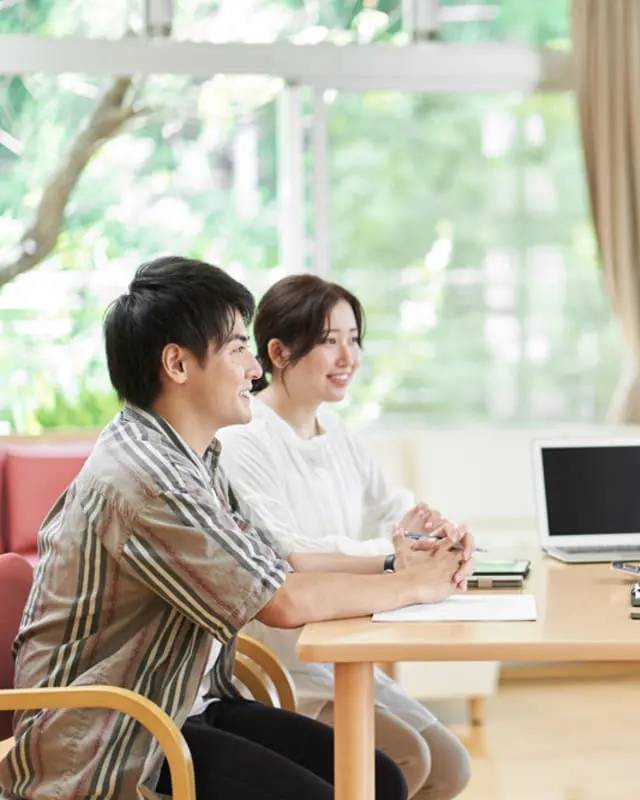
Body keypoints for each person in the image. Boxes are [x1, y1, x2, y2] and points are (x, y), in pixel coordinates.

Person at [0, 256, 473, 800]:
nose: (254, 368)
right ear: (177, 364)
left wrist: (397, 564)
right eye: (237, 349)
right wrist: (414, 586)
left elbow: (283, 560)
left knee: (380, 778)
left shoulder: (193, 457)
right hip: (111, 742)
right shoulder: (148, 481)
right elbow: (282, 602)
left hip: (177, 707)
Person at [209, 274, 471, 800]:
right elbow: (292, 555)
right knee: (405, 762)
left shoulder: (335, 432)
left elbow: (392, 509)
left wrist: (437, 536)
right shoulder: (244, 439)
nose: (347, 356)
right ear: (278, 352)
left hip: (345, 650)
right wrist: (398, 558)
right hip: (285, 662)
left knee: (450, 766)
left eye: (353, 339)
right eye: (330, 341)